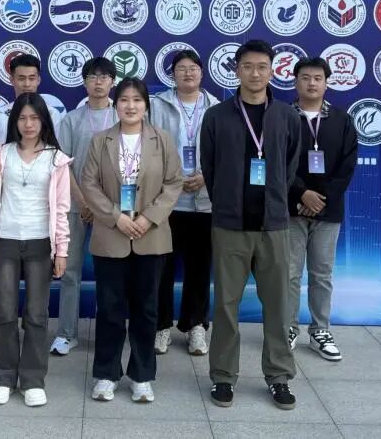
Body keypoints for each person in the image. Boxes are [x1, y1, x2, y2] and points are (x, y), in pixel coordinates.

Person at [200, 39, 302, 410]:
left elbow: (290, 167)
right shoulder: (217, 116)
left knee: (277, 305)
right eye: (247, 66)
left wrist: (274, 200)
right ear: (236, 70)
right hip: (230, 225)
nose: (255, 73)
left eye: (261, 67)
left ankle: (279, 377)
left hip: (273, 225)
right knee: (226, 305)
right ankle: (223, 376)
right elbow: (209, 167)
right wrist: (227, 201)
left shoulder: (287, 116)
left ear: (272, 71)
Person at [81, 78, 183, 404]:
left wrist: (147, 217)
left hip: (150, 236)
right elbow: (89, 183)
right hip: (111, 235)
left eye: (137, 100)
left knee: (146, 309)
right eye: (124, 99)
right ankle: (106, 374)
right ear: (116, 105)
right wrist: (117, 217)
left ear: (146, 105)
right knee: (110, 310)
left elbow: (174, 183)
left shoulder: (161, 139)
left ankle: (142, 376)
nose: (130, 106)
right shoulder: (101, 141)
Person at [0, 93, 72, 407]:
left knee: (36, 314)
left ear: (43, 121)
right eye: (22, 118)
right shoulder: (1, 153)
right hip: (5, 240)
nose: (28, 124)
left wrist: (62, 251)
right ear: (14, 122)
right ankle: (4, 377)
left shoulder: (57, 159)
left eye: (34, 118)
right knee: (5, 313)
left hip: (40, 243)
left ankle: (32, 379)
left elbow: (62, 209)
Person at [0, 54, 64, 352]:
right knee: (3, 282)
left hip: (40, 213)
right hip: (7, 208)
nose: (26, 83)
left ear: (39, 79)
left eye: (31, 78)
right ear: (11, 80)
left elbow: (57, 163)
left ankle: (33, 334)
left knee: (37, 287)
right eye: (21, 78)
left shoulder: (53, 114)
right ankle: (0, 332)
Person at [287, 57, 358, 362]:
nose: (312, 83)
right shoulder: (281, 117)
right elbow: (275, 160)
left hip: (328, 212)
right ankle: (287, 327)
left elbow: (347, 165)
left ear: (327, 83)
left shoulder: (342, 120)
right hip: (291, 209)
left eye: (318, 78)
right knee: (289, 274)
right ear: (295, 82)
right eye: (305, 77)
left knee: (321, 274)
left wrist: (321, 199)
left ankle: (320, 330)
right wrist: (302, 194)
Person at [148, 50, 219, 357]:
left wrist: (206, 176)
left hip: (204, 201)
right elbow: (146, 147)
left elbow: (226, 150)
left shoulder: (216, 107)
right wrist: (172, 179)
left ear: (202, 73)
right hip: (167, 201)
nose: (188, 73)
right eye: (181, 68)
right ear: (172, 74)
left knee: (200, 268)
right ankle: (161, 325)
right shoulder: (156, 105)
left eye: (193, 68)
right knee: (161, 268)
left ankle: (196, 325)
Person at [51, 57, 117, 357]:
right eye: (92, 76)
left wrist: (102, 205)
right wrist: (82, 201)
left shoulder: (122, 116)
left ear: (112, 81)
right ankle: (66, 334)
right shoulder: (71, 120)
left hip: (111, 209)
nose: (98, 82)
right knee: (69, 272)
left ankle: (108, 334)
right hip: (75, 206)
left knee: (110, 274)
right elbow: (61, 165)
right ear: (84, 82)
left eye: (104, 76)